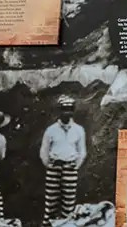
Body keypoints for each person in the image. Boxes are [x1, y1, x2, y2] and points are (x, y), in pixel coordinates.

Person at [40, 95, 87, 226]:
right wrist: (50, 165)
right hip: (54, 168)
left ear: (73, 111)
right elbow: (44, 151)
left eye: (70, 109)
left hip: (70, 169)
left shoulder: (79, 130)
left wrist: (75, 166)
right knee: (51, 203)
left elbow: (82, 151)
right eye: (64, 109)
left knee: (68, 204)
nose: (67, 112)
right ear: (59, 111)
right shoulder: (51, 130)